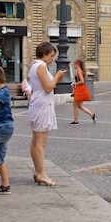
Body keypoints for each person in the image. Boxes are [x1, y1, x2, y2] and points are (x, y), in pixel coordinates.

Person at [27, 41, 65, 186]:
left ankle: (38, 171)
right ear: (44, 54)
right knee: (40, 142)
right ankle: (42, 173)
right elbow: (48, 87)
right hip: (42, 105)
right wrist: (58, 77)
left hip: (38, 104)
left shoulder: (34, 66)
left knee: (36, 140)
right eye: (51, 56)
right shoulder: (41, 67)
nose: (52, 59)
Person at [70, 58, 95, 125]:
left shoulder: (79, 71)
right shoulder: (80, 71)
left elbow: (82, 81)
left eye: (74, 64)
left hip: (79, 89)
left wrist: (75, 84)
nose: (73, 66)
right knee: (80, 106)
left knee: (75, 105)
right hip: (79, 89)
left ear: (77, 64)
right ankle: (92, 114)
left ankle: (76, 120)